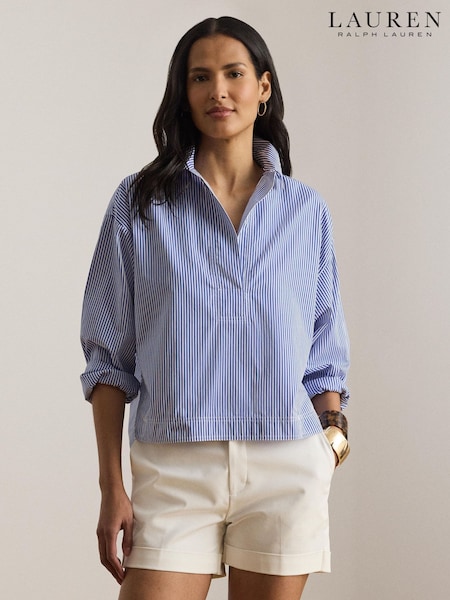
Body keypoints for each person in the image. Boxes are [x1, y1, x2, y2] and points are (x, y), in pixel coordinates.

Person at [80, 16, 350, 600]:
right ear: (183, 92)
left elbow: (324, 350)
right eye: (200, 77)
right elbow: (108, 358)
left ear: (264, 87)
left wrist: (330, 443)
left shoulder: (306, 211)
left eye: (234, 74)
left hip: (286, 465)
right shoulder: (140, 203)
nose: (218, 91)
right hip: (174, 466)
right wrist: (111, 486)